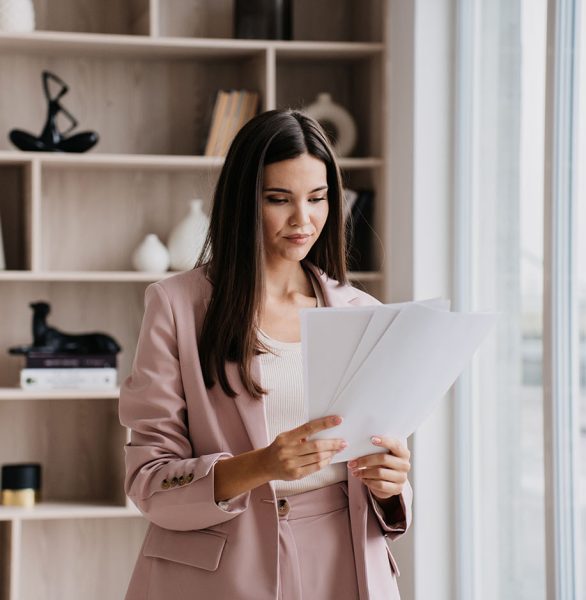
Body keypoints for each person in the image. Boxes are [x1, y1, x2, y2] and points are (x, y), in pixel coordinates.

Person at [119, 109, 413, 600]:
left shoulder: (365, 313)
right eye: (279, 199)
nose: (304, 220)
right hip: (223, 568)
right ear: (243, 203)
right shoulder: (176, 306)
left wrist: (392, 483)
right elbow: (148, 481)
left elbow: (383, 460)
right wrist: (263, 465)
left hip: (347, 559)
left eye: (318, 198)